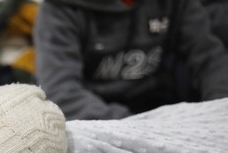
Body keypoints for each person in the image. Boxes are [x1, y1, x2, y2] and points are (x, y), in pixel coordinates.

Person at [34, 0, 228, 120]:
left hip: (162, 111)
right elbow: (61, 92)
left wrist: (219, 110)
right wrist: (138, 127)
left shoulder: (176, 4)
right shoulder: (59, 10)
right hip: (94, 122)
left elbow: (210, 58)